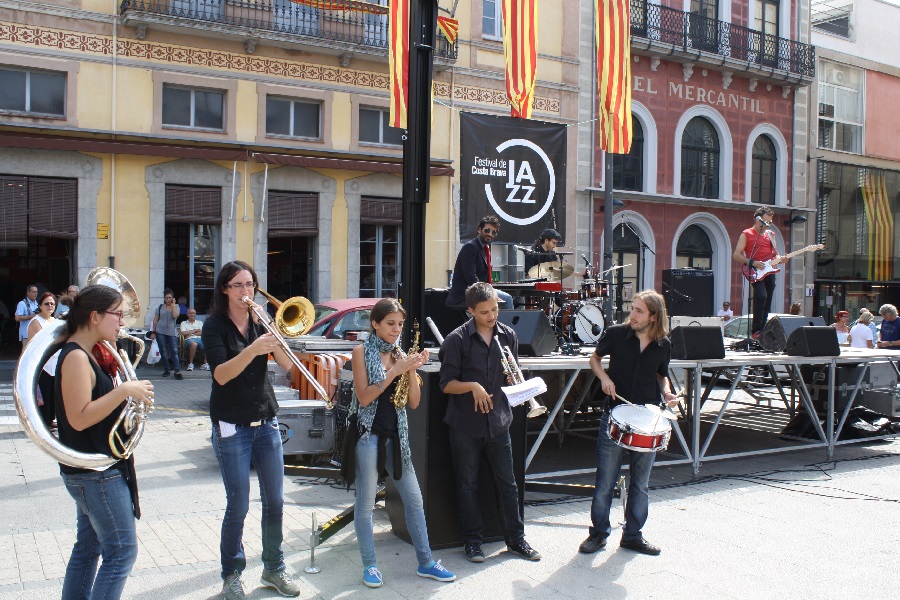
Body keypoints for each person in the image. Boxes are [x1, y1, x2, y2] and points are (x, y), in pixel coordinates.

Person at [201, 260, 303, 599]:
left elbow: (289, 367)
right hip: (232, 424)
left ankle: (274, 568)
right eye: (239, 285)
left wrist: (272, 333)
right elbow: (221, 374)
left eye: (251, 285)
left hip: (266, 420)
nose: (247, 292)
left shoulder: (261, 323)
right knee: (238, 504)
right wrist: (253, 350)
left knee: (274, 501)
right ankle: (231, 573)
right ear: (225, 290)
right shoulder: (214, 326)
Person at [55, 284, 155, 600]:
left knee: (88, 549)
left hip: (93, 469)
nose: (122, 322)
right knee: (122, 551)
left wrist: (125, 396)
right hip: (96, 473)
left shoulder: (86, 354)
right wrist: (124, 392)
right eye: (118, 315)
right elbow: (79, 418)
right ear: (95, 316)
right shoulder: (75, 357)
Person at [350, 298, 456, 588]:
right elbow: (364, 397)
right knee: (365, 503)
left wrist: (412, 369)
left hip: (398, 437)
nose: (397, 329)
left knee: (415, 501)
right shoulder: (361, 351)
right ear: (375, 323)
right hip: (369, 434)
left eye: (400, 324)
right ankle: (370, 565)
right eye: (390, 324)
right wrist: (396, 371)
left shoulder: (400, 354)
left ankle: (426, 562)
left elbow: (414, 402)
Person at [439, 282, 542, 563]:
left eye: (495, 309)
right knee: (467, 484)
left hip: (498, 420)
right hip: (465, 423)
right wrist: (472, 386)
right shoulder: (456, 340)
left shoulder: (508, 335)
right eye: (485, 312)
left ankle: (516, 539)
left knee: (508, 484)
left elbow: (512, 372)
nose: (492, 316)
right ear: (471, 311)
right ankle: (473, 542)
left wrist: (516, 383)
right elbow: (446, 384)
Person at [579, 289, 678, 557]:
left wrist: (667, 392)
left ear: (654, 317)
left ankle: (633, 535)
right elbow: (594, 359)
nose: (632, 315)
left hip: (647, 416)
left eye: (639, 311)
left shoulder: (663, 345)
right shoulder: (615, 334)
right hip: (615, 413)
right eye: (632, 308)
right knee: (605, 482)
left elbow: (662, 376)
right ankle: (598, 534)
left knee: (640, 483)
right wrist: (604, 379)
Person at [446, 215, 514, 309]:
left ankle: (496, 323)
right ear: (479, 230)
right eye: (487, 230)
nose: (490, 234)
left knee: (507, 298)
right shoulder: (470, 247)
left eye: (493, 232)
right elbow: (471, 278)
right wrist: (490, 295)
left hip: (481, 289)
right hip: (465, 295)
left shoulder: (485, 248)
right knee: (507, 300)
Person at [732, 207, 780, 339]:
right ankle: (756, 329)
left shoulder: (771, 235)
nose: (767, 225)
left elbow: (775, 255)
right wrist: (752, 262)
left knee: (768, 300)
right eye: (765, 222)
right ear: (757, 219)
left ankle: (763, 329)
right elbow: (736, 255)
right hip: (755, 270)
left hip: (769, 270)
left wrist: (781, 259)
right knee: (761, 297)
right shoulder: (747, 234)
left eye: (769, 222)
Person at [28, 292, 59, 429]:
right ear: (40, 306)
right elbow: (33, 346)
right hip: (43, 363)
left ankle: (52, 418)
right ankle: (43, 421)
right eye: (46, 303)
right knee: (44, 393)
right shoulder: (35, 322)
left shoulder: (56, 321)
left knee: (54, 393)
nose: (50, 306)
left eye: (52, 303)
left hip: (56, 362)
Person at [151, 288, 182, 379]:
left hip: (172, 332)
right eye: (166, 297)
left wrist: (173, 306)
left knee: (174, 351)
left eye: (170, 297)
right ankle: (166, 369)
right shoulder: (160, 307)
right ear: (164, 298)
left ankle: (177, 371)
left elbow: (175, 316)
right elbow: (156, 320)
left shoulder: (176, 306)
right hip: (160, 331)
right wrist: (153, 331)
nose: (168, 299)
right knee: (163, 351)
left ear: (173, 298)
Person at [15, 284, 39, 351]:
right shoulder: (22, 304)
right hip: (26, 334)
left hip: (36, 334)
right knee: (26, 354)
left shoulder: (37, 304)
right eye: (33, 292)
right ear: (28, 293)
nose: (35, 294)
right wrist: (30, 317)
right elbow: (17, 318)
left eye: (36, 292)